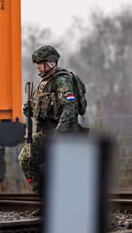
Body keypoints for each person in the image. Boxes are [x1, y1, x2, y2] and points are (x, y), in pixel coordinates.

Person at [20, 45, 86, 196]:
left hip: (61, 135)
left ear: (50, 63)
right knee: (26, 160)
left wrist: (60, 133)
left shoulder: (62, 81)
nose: (38, 68)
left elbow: (70, 106)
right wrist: (30, 108)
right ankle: (44, 198)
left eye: (40, 64)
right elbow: (40, 104)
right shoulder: (44, 83)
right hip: (44, 134)